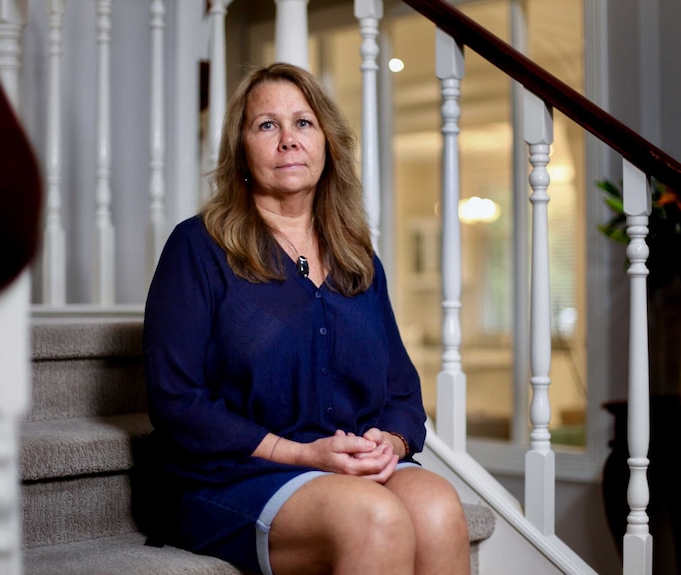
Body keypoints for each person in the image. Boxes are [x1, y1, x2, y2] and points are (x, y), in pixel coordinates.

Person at [143, 62, 470, 575]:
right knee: (375, 518)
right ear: (242, 151)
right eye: (266, 125)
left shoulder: (356, 256)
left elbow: (401, 390)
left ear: (326, 143)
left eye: (303, 123)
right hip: (233, 475)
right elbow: (176, 401)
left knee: (439, 508)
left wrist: (393, 442)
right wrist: (303, 456)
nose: (288, 140)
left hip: (342, 466)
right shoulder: (197, 247)